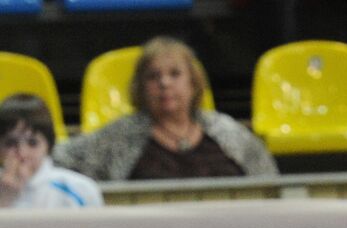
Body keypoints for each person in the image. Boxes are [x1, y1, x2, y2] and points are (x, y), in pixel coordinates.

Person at [52, 37, 277, 182]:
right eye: (153, 76)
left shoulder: (227, 132)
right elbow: (59, 158)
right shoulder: (120, 136)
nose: (164, 83)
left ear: (193, 83)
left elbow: (270, 182)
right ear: (140, 87)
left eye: (175, 74)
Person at [0, 94, 102, 209]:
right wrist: (4, 200)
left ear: (48, 145)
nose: (22, 153)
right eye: (10, 143)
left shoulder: (81, 190)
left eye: (32, 143)